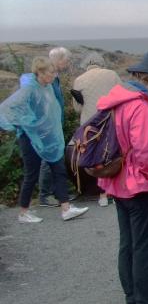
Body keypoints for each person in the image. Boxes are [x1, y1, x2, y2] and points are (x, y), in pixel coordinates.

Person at [96, 51, 148, 304]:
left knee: (128, 243)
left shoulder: (116, 100)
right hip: (141, 185)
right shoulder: (140, 105)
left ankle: (132, 301)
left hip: (117, 181)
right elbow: (146, 152)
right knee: (146, 245)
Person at [0, 57, 90, 224]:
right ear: (40, 72)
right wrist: (30, 123)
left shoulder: (47, 87)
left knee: (59, 169)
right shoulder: (28, 89)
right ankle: (23, 212)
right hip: (30, 138)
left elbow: (51, 111)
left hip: (48, 138)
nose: (54, 75)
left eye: (54, 72)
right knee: (31, 174)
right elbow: (10, 108)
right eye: (51, 72)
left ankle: (66, 209)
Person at [71, 53, 122, 206]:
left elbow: (77, 108)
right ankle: (115, 191)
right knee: (113, 155)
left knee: (96, 159)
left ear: (86, 65)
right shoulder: (112, 75)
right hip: (109, 121)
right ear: (102, 63)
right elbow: (122, 96)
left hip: (90, 125)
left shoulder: (79, 80)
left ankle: (102, 195)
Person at [36, 48, 72, 207]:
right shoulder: (47, 79)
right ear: (58, 60)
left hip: (55, 124)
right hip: (48, 126)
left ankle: (59, 193)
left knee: (56, 159)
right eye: (66, 60)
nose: (67, 63)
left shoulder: (54, 78)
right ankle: (45, 195)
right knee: (49, 159)